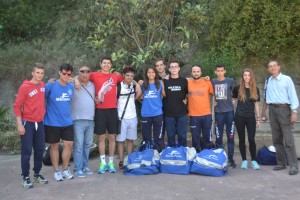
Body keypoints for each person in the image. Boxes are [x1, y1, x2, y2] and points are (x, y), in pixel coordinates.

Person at [13, 63, 49, 188]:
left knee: (39, 150)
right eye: (37, 72)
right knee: (27, 151)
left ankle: (37, 174)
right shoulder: (25, 87)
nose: (39, 75)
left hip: (39, 123)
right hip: (27, 123)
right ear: (32, 73)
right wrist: (19, 125)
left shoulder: (43, 85)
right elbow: (17, 106)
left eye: (42, 73)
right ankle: (26, 177)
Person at [262, 60, 299, 175]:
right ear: (268, 69)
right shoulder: (268, 81)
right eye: (270, 66)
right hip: (272, 110)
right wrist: (264, 112)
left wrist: (294, 112)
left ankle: (293, 166)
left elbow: (293, 96)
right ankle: (281, 163)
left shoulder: (286, 79)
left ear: (279, 67)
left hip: (284, 110)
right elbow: (266, 97)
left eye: (274, 66)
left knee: (288, 139)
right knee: (277, 139)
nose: (272, 68)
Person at [88, 57, 123, 174]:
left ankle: (111, 162)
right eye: (104, 63)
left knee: (112, 137)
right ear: (100, 64)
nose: (106, 65)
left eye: (108, 63)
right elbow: (81, 76)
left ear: (111, 65)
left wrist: (137, 84)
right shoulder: (94, 75)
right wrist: (76, 80)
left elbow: (128, 79)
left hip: (113, 110)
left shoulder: (116, 76)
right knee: (101, 137)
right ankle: (103, 163)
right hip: (100, 110)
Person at [44, 63, 75, 181]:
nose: (66, 75)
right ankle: (56, 171)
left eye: (69, 74)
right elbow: (41, 98)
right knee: (54, 146)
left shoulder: (71, 86)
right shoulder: (50, 85)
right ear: (59, 72)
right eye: (64, 73)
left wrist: (75, 80)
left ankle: (65, 169)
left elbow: (78, 82)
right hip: (52, 122)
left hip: (67, 122)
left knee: (69, 145)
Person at [232, 68, 261, 170]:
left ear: (251, 77)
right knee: (241, 139)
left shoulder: (255, 89)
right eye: (245, 75)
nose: (247, 77)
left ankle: (253, 161)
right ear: (242, 77)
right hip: (239, 117)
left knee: (251, 139)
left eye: (249, 75)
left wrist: (258, 118)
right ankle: (244, 160)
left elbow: (256, 105)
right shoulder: (237, 88)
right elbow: (233, 100)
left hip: (250, 117)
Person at [71, 66, 95, 177]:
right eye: (82, 72)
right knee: (79, 145)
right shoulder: (73, 84)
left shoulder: (93, 85)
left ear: (90, 73)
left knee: (87, 145)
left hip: (90, 120)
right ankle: (77, 168)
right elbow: (64, 79)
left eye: (87, 72)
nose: (85, 74)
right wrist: (75, 79)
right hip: (77, 120)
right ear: (78, 73)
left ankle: (85, 166)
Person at [116, 66, 141, 170]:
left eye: (132, 76)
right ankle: (121, 161)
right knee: (121, 141)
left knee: (130, 140)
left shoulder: (134, 86)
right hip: (121, 118)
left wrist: (137, 86)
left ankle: (129, 159)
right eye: (127, 75)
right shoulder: (118, 87)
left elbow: (139, 94)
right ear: (123, 76)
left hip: (133, 116)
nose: (130, 77)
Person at [211, 63, 236, 168]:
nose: (220, 72)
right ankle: (219, 158)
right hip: (218, 113)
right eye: (218, 71)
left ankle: (231, 159)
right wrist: (213, 102)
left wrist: (234, 99)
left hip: (229, 112)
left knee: (230, 137)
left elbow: (236, 92)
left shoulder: (230, 81)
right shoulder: (212, 81)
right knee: (219, 137)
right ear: (215, 71)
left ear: (225, 71)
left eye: (222, 70)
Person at [188, 65, 214, 152]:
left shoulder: (207, 82)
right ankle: (196, 156)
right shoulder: (188, 82)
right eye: (194, 72)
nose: (196, 73)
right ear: (191, 73)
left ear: (201, 72)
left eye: (198, 71)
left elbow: (212, 93)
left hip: (206, 114)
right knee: (195, 138)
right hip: (194, 115)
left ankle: (206, 155)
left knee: (207, 137)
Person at [163, 60, 188, 147]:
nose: (174, 68)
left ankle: (183, 154)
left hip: (182, 113)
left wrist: (187, 100)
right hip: (169, 114)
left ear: (179, 69)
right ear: (169, 69)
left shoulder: (184, 80)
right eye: (172, 67)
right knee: (170, 136)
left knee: (182, 136)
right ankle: (172, 155)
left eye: (176, 67)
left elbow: (188, 93)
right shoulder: (165, 81)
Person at [141, 66, 165, 152]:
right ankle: (146, 154)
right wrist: (137, 83)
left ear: (156, 73)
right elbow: (139, 96)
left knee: (157, 137)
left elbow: (165, 95)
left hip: (157, 113)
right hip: (146, 114)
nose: (151, 74)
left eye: (153, 72)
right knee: (146, 137)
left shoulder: (160, 84)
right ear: (146, 74)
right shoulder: (143, 85)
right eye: (149, 72)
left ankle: (157, 154)